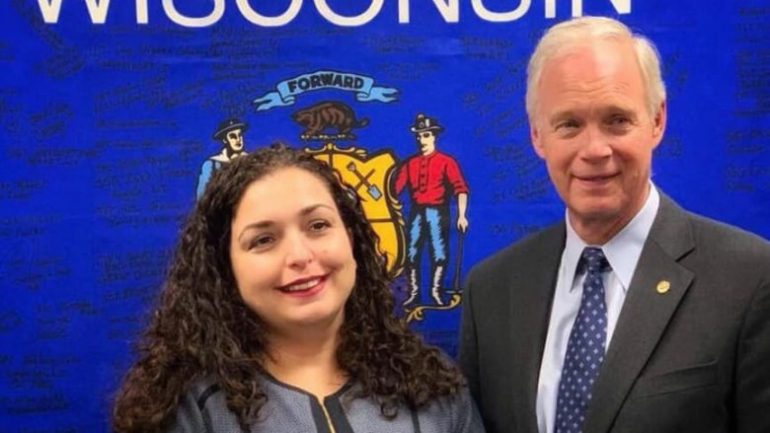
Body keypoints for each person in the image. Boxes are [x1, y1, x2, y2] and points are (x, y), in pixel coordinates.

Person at [459, 16, 770, 433]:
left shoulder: (749, 279)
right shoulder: (492, 291)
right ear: (537, 136)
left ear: (657, 121)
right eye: (569, 124)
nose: (594, 149)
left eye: (617, 120)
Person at [113, 144, 484, 433]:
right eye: (263, 240)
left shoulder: (431, 384)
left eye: (318, 225)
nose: (300, 256)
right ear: (225, 267)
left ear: (352, 239)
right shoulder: (189, 409)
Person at [394, 113, 470, 306]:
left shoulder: (446, 162)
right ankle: (414, 293)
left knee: (439, 252)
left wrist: (462, 216)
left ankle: (436, 292)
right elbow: (393, 190)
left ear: (434, 136)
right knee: (411, 252)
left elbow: (460, 189)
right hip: (416, 213)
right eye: (419, 136)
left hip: (438, 212)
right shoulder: (409, 164)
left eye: (426, 135)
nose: (422, 140)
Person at [196, 118, 248, 198]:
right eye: (233, 136)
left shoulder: (250, 162)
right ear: (225, 140)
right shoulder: (212, 165)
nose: (238, 139)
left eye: (240, 135)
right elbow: (202, 197)